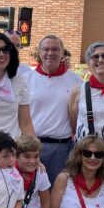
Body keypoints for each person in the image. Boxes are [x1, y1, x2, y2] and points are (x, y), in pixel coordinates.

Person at [23, 35, 82, 183]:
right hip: (31, 146)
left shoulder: (75, 81)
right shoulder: (25, 79)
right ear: (40, 52)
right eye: (46, 49)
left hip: (61, 148)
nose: (50, 53)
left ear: (62, 52)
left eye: (55, 49)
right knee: (30, 191)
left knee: (57, 191)